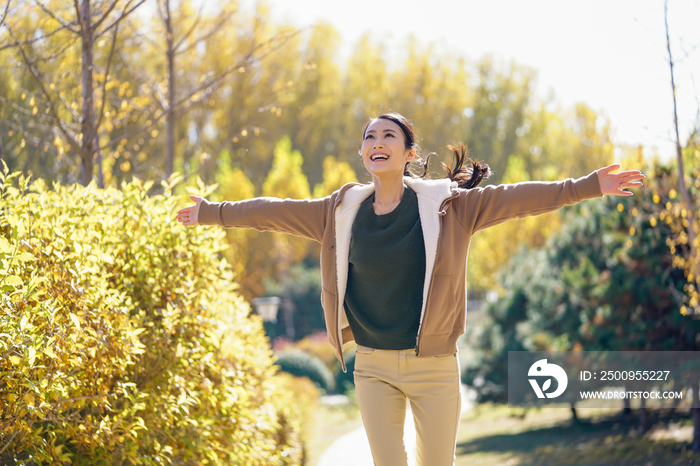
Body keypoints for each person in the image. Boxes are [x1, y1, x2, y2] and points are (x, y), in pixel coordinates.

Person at [176, 112, 644, 466]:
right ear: (363, 153)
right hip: (374, 367)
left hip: (434, 368)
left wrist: (588, 186)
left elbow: (516, 199)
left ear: (408, 155)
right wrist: (212, 212)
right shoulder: (338, 212)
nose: (376, 142)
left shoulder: (450, 208)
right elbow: (272, 211)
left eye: (388, 136)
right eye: (369, 136)